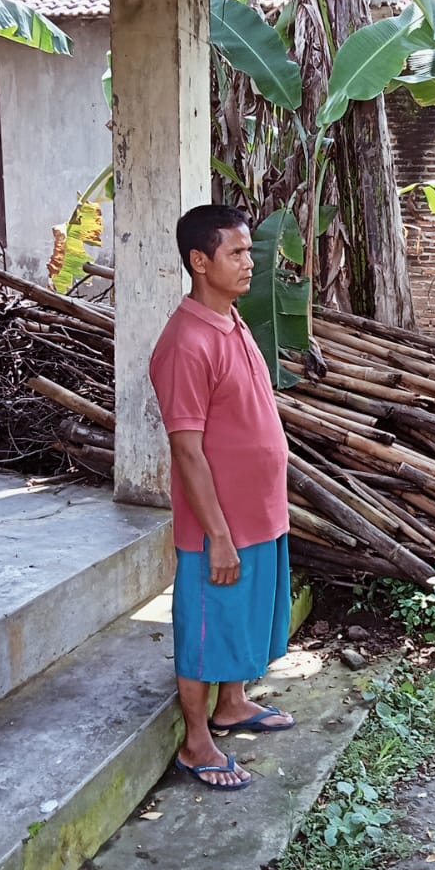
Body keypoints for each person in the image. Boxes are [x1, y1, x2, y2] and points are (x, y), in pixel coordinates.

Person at [148, 203, 296, 791]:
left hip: (259, 513)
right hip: (220, 525)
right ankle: (196, 740)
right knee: (204, 626)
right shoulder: (186, 342)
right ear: (199, 261)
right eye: (235, 253)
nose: (248, 263)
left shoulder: (232, 323)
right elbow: (187, 450)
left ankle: (231, 704)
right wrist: (218, 536)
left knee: (242, 619)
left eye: (248, 252)